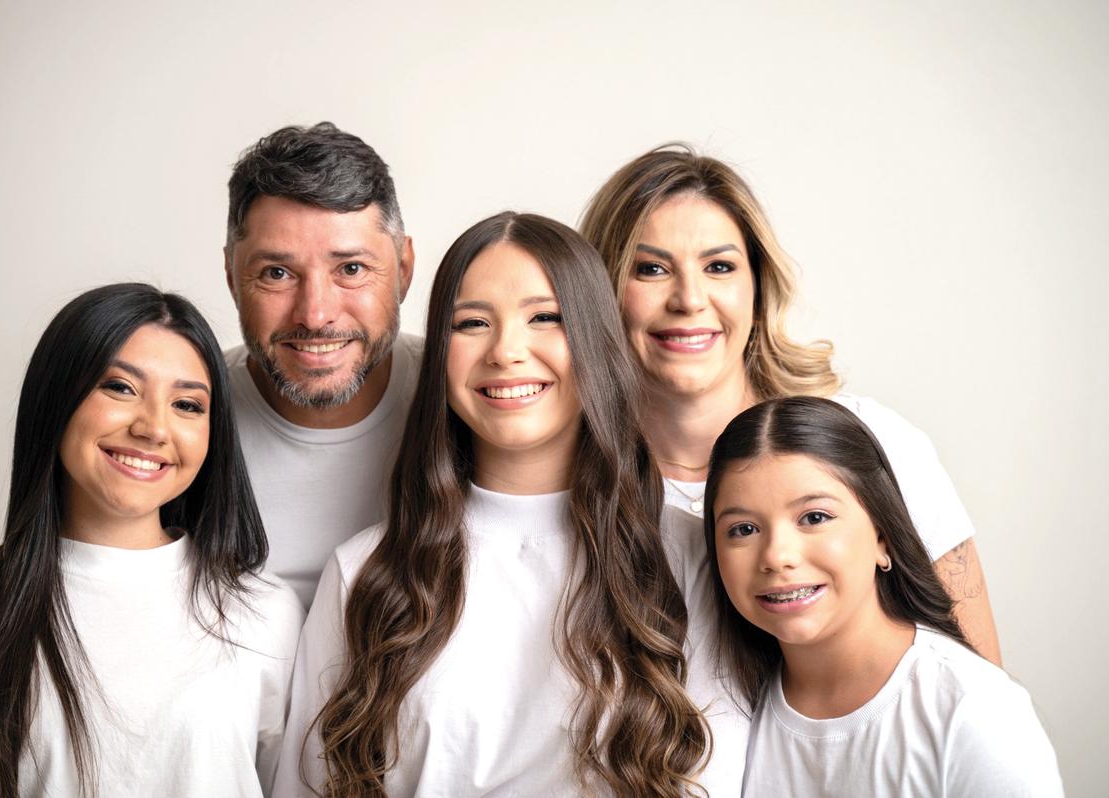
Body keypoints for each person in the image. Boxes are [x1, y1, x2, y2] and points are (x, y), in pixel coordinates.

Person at [273, 213, 749, 797]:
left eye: (545, 318)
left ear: (597, 341)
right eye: (472, 323)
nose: (506, 351)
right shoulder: (364, 572)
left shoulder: (688, 555)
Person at [581, 145, 1002, 662]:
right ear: (598, 294)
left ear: (757, 289)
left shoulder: (875, 442)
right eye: (650, 269)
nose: (689, 299)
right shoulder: (570, 477)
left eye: (718, 266)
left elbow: (978, 680)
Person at [0, 283, 305, 797]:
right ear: (57, 398)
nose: (153, 428)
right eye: (120, 387)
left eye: (187, 404)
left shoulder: (265, 613)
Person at [703, 396, 1062, 796]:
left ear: (882, 537)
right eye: (743, 529)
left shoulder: (974, 710)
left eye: (815, 518)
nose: (777, 556)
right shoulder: (733, 720)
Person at [223, 122, 422, 608]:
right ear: (231, 275)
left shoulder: (462, 398)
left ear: (403, 270)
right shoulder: (182, 416)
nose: (314, 315)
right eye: (277, 273)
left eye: (350, 269)